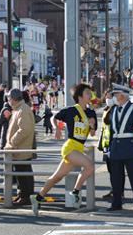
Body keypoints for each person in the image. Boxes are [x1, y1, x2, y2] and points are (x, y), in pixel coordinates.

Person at [31, 84, 97, 214]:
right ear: (80, 97)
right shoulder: (71, 111)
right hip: (70, 146)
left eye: (90, 93)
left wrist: (92, 125)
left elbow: (93, 134)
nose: (90, 95)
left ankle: (38, 197)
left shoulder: (91, 113)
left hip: (79, 148)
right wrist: (57, 129)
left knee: (57, 177)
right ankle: (75, 191)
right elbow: (53, 118)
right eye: (87, 93)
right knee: (89, 166)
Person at [5, 88, 35, 206]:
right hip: (19, 148)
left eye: (8, 98)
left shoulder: (22, 110)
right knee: (20, 174)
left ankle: (26, 196)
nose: (8, 101)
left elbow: (24, 130)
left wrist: (12, 142)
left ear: (13, 99)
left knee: (23, 173)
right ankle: (22, 194)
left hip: (21, 148)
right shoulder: (19, 109)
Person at [97, 90, 114, 199]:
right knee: (110, 169)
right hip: (106, 143)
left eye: (109, 97)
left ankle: (117, 190)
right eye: (106, 96)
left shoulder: (116, 109)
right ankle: (114, 189)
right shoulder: (106, 109)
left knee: (115, 169)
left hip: (113, 143)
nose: (107, 99)